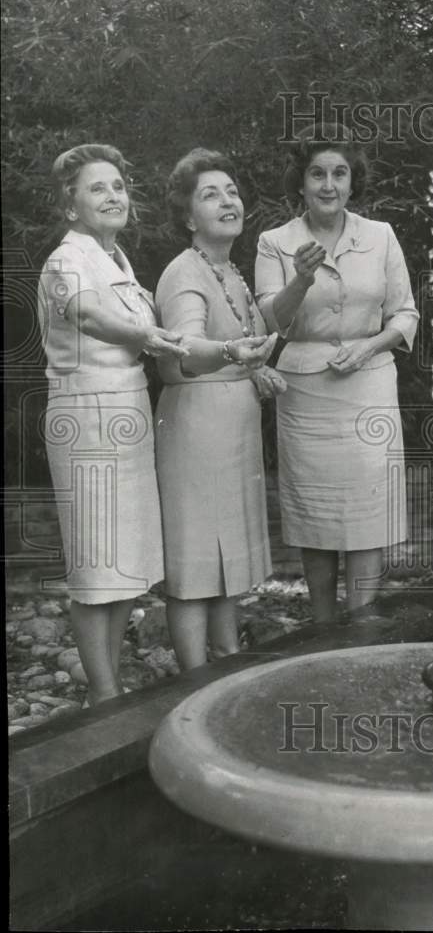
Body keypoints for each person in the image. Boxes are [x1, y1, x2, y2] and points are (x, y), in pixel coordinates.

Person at [38, 143, 187, 706]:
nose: (113, 196)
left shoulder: (120, 262)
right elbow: (85, 314)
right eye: (97, 188)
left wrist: (228, 349)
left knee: (128, 561)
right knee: (95, 563)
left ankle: (109, 683)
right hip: (84, 420)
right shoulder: (64, 259)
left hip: (128, 415)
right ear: (71, 205)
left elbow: (162, 334)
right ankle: (104, 694)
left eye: (119, 186)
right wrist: (145, 337)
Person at [255, 125, 419, 623]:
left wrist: (369, 347)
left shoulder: (381, 236)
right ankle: (325, 627)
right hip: (304, 390)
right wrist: (301, 279)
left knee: (368, 517)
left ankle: (363, 627)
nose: (329, 184)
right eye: (317, 173)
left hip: (370, 388)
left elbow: (406, 315)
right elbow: (270, 320)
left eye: (339, 174)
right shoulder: (275, 242)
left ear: (352, 182)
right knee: (316, 518)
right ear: (301, 183)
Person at [155, 148, 285, 670]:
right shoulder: (184, 272)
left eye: (231, 191)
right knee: (195, 559)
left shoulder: (229, 269)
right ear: (189, 217)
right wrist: (233, 354)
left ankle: (227, 651)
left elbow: (238, 341)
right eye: (211, 195)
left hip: (230, 428)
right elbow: (184, 347)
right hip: (197, 429)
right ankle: (190, 677)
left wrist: (255, 369)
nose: (228, 200)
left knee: (224, 549)